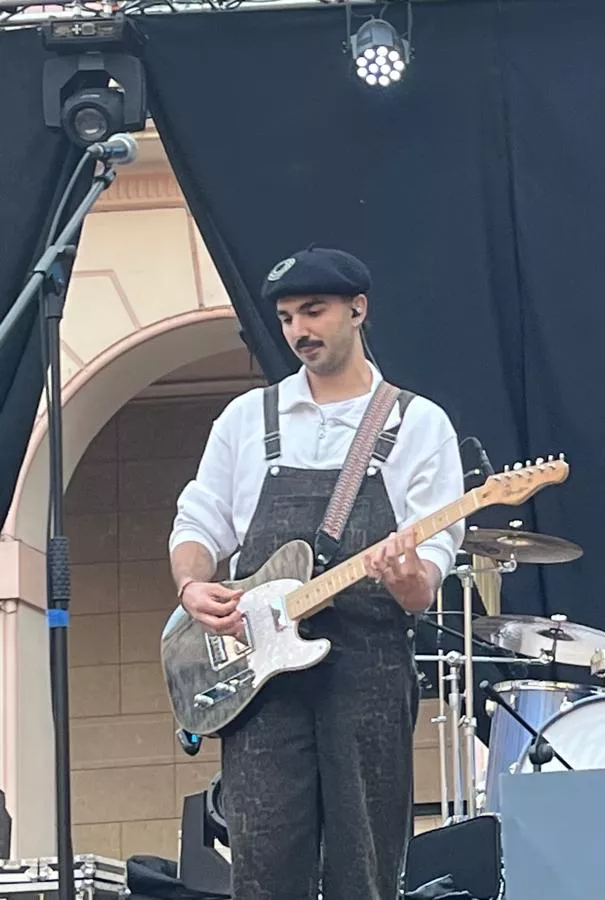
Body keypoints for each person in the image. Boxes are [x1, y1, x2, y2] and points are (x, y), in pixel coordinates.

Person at [167, 246, 466, 900]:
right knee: (264, 867)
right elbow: (198, 521)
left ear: (358, 310)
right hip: (260, 678)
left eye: (314, 311)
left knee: (367, 865)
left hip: (368, 669)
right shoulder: (248, 420)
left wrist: (403, 574)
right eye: (285, 318)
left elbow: (425, 586)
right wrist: (192, 585)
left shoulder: (418, 425)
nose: (299, 329)